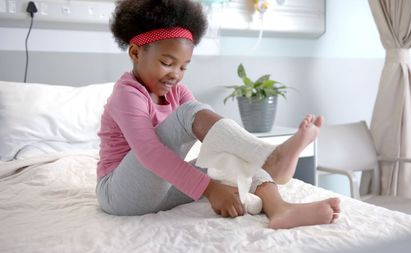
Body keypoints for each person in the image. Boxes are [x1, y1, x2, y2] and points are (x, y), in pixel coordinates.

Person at [96, 0, 340, 229]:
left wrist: (229, 162)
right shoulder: (127, 94)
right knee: (190, 113)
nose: (176, 75)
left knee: (230, 154)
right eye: (167, 63)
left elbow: (211, 133)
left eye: (183, 67)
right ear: (136, 53)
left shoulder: (176, 92)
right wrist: (210, 189)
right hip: (120, 194)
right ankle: (269, 156)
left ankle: (281, 209)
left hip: (163, 188)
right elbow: (150, 154)